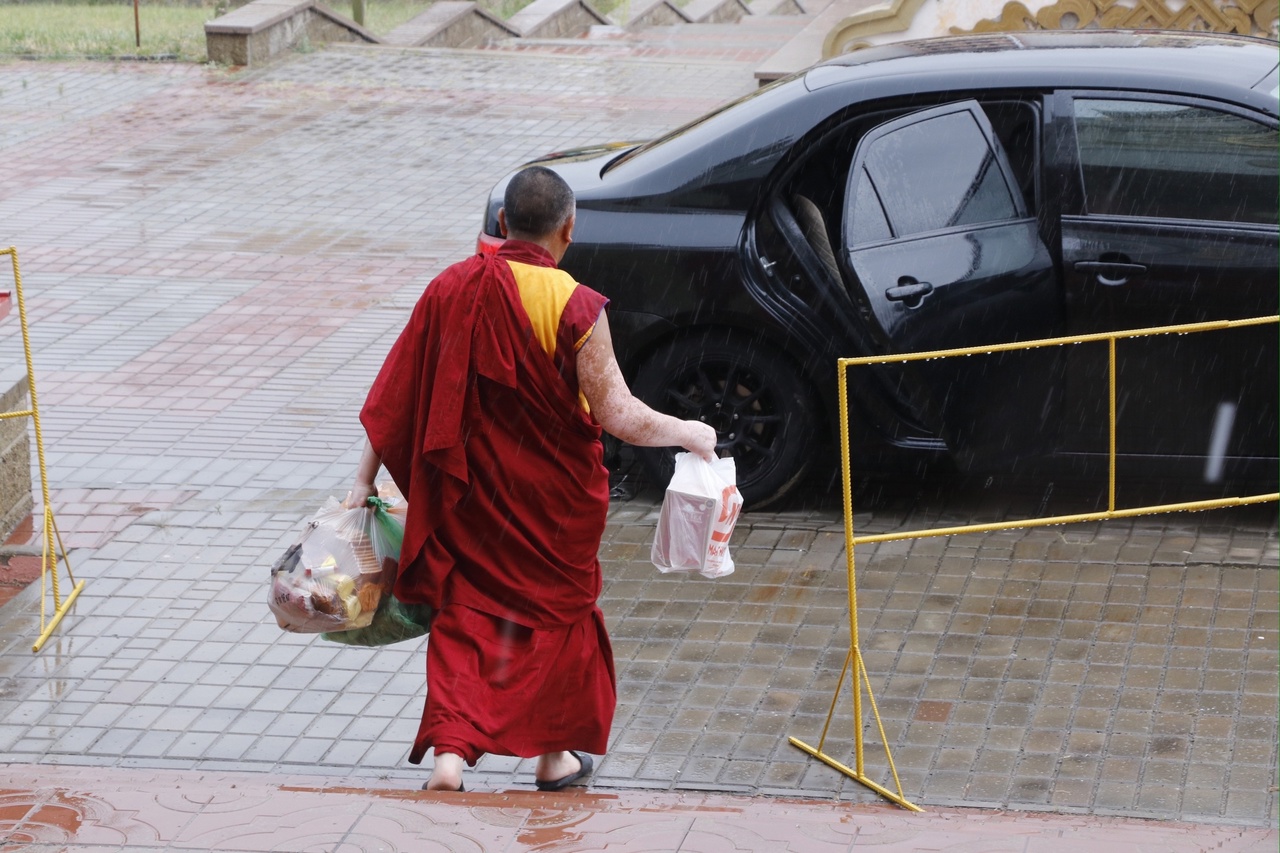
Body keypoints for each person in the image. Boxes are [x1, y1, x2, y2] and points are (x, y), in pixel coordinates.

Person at [348, 166, 717, 793]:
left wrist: (362, 483)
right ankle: (552, 758)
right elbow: (617, 414)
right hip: (552, 506)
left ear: (501, 224)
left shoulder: (450, 287)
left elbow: (396, 397)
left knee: (466, 614)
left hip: (470, 495)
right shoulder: (573, 304)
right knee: (559, 622)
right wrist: (687, 430)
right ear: (568, 228)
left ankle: (449, 756)